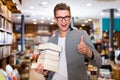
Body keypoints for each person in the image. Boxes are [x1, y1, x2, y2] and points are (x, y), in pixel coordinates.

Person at [36, 3, 102, 80]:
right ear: (55, 19)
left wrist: (88, 51)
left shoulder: (81, 35)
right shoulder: (50, 41)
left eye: (66, 17)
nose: (64, 21)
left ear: (70, 17)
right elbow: (49, 71)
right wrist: (45, 73)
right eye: (60, 18)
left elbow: (99, 63)